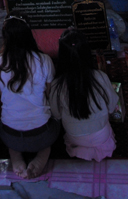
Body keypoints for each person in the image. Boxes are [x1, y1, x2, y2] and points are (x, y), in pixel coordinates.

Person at [0, 14, 60, 179]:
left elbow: (1, 94)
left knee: (7, 129)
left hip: (10, 135)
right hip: (42, 134)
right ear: (29, 36)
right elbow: (48, 94)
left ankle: (16, 157)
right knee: (56, 125)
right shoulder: (44, 61)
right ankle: (41, 157)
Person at [50, 28, 118, 161]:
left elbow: (56, 115)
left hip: (74, 136)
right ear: (87, 52)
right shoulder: (100, 77)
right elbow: (112, 106)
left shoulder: (57, 85)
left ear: (61, 55)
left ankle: (80, 148)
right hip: (101, 136)